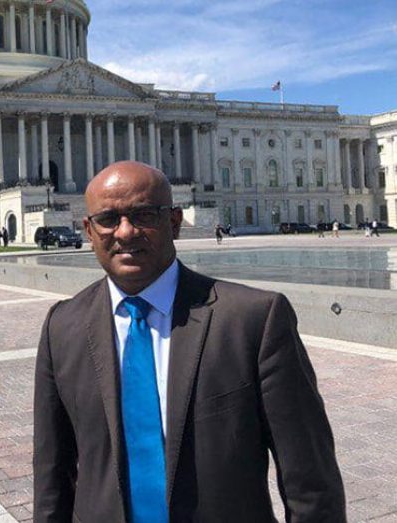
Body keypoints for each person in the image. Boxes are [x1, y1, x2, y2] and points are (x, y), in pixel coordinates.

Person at [33, 161, 345, 522]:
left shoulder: (253, 319)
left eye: (144, 215)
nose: (126, 232)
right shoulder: (62, 326)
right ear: (89, 230)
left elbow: (310, 481)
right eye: (108, 219)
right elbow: (52, 475)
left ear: (175, 222)